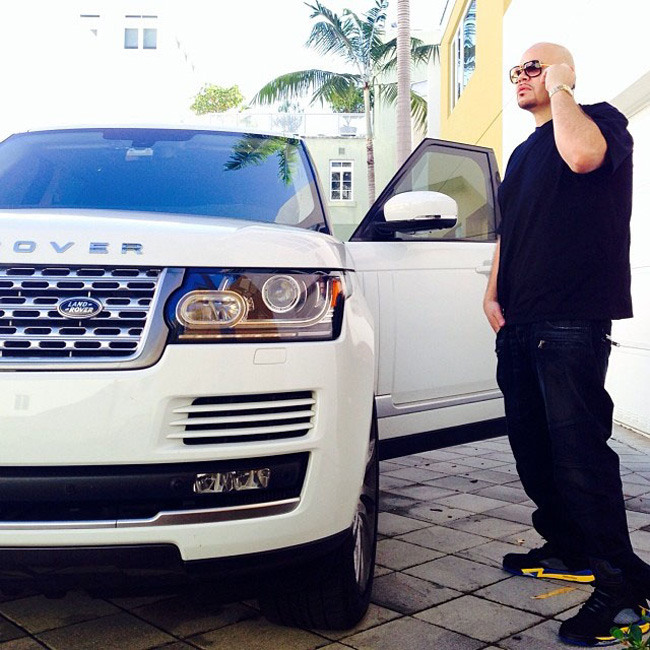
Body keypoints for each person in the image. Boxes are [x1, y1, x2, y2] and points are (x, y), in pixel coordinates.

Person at [483, 41, 650, 646]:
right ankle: (569, 545)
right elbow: (509, 230)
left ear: (562, 72)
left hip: (572, 320)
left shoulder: (599, 121)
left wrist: (561, 88)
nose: (522, 76)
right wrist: (491, 292)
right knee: (532, 449)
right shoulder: (522, 154)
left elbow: (582, 158)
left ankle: (623, 589)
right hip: (519, 321)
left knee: (580, 456)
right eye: (517, 70)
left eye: (535, 66)